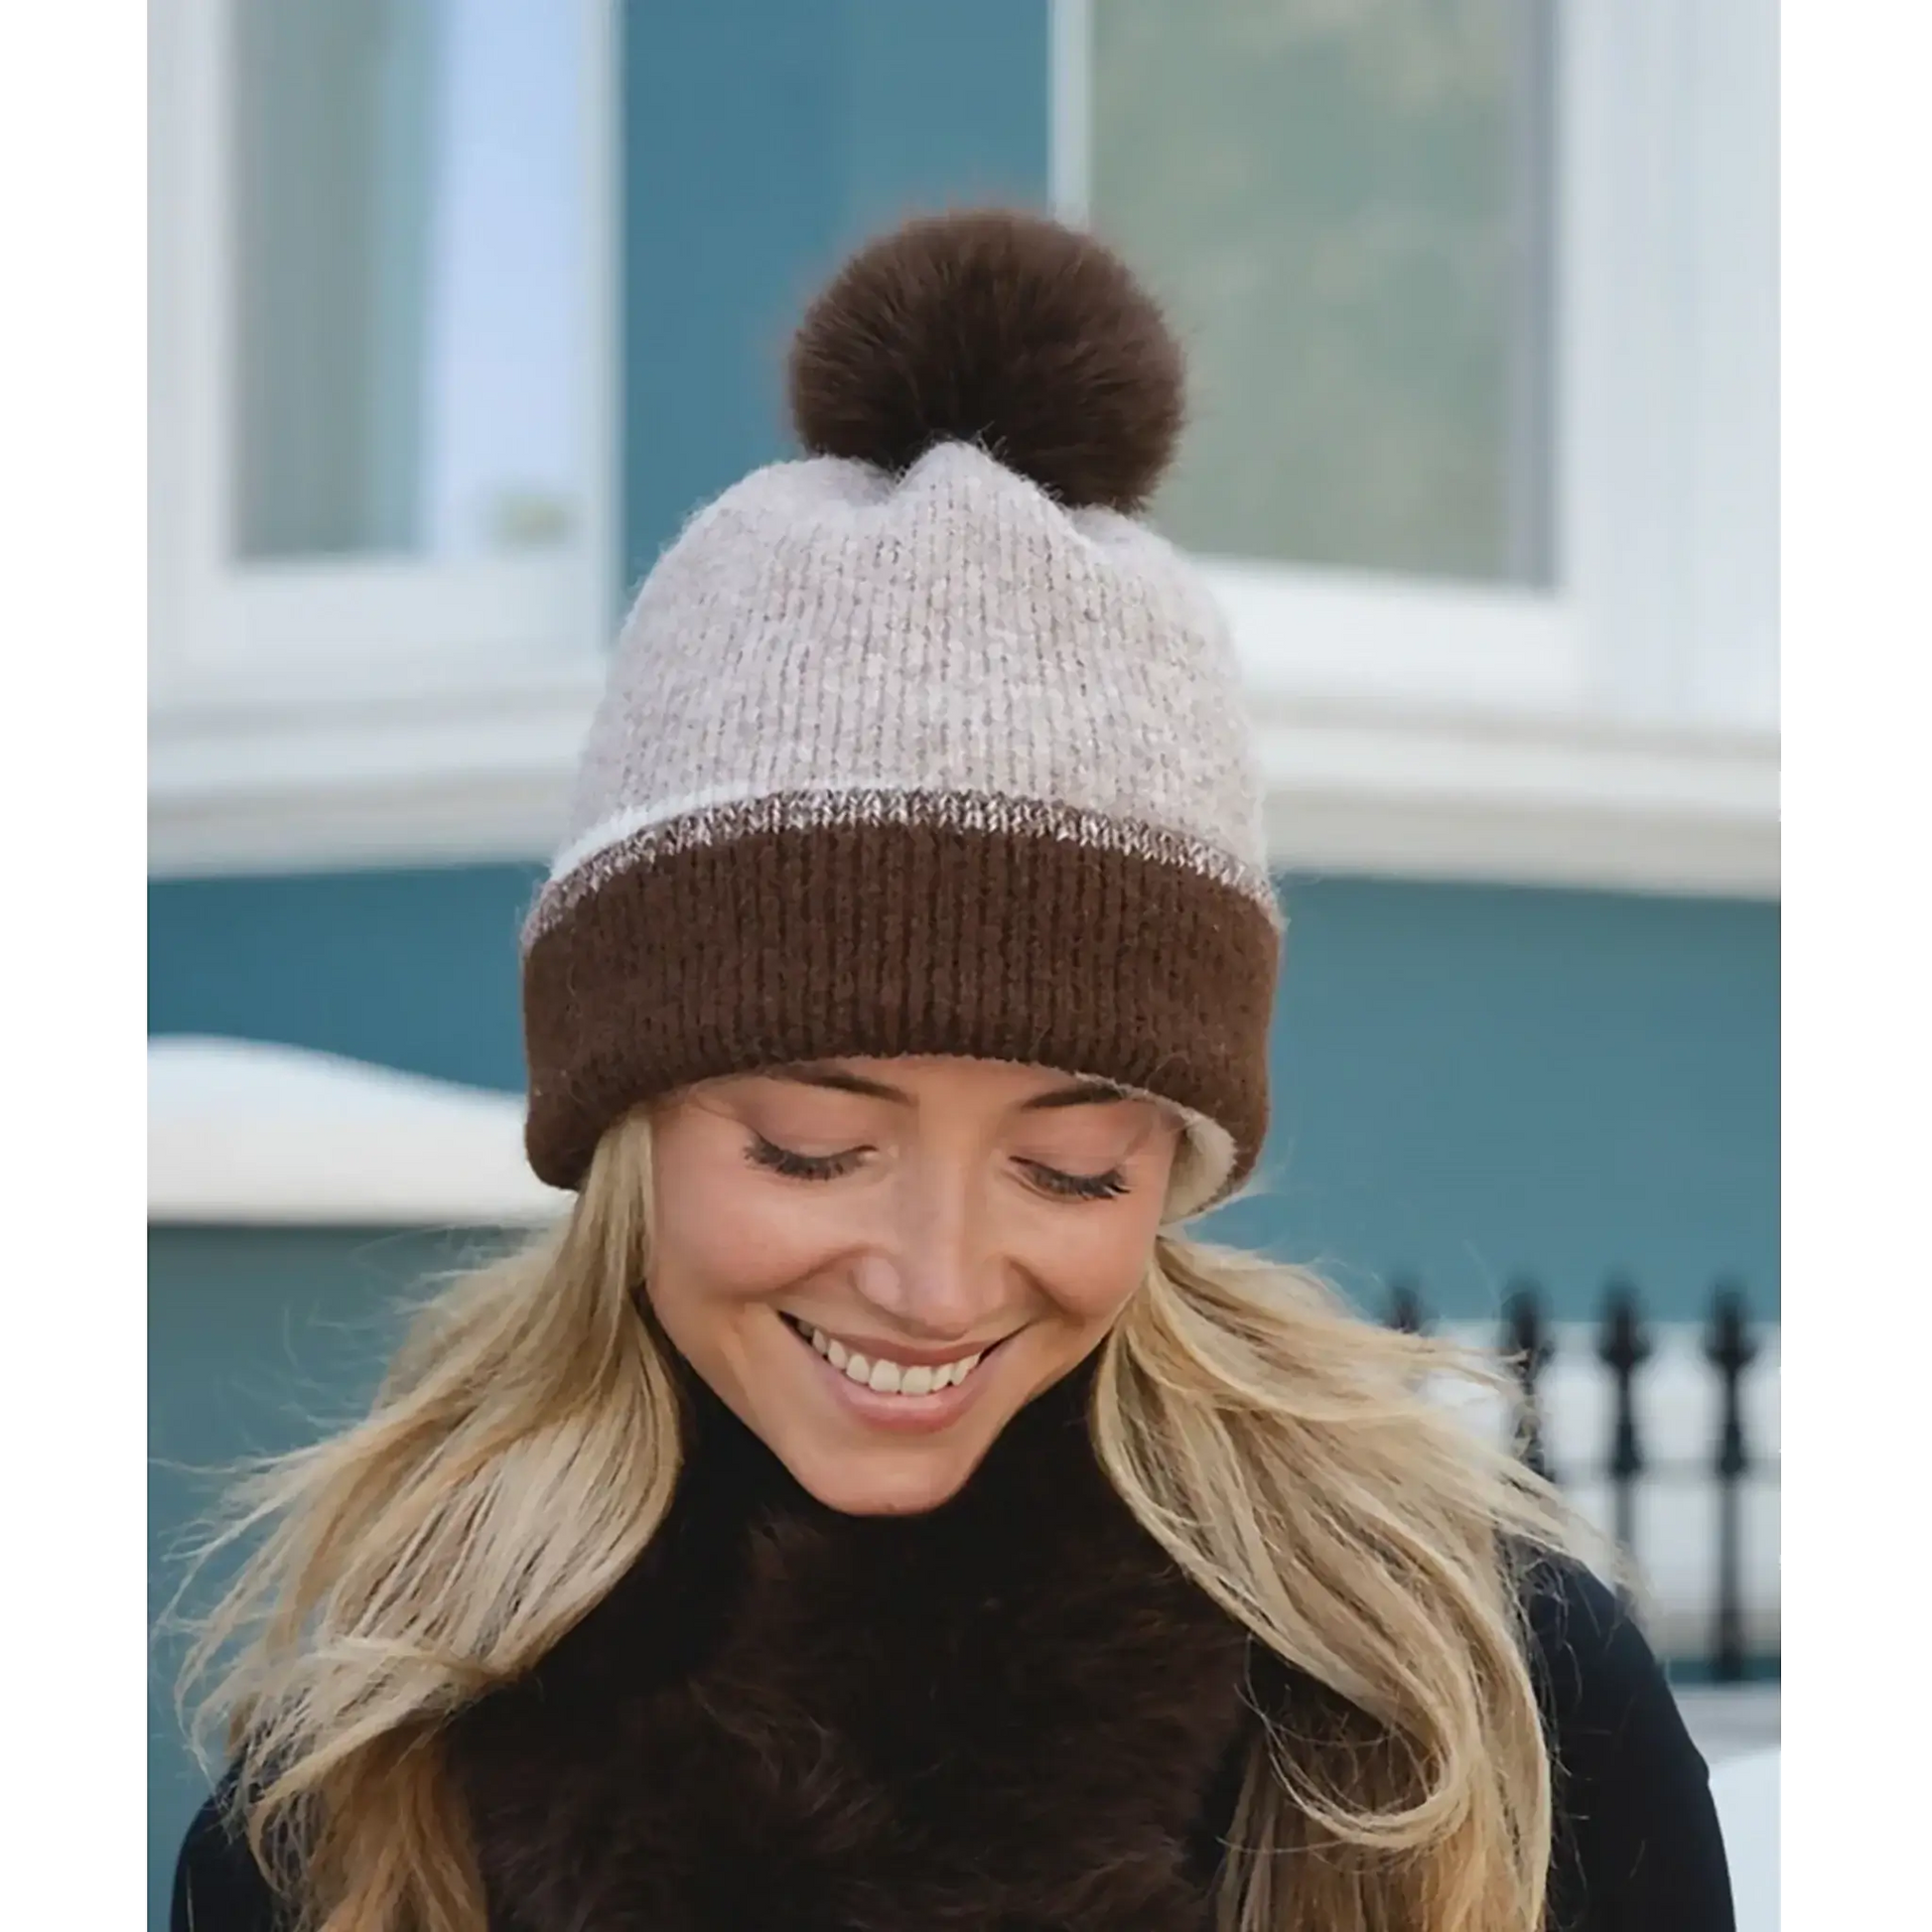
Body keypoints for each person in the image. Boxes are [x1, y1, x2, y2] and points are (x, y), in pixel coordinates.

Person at [169, 209, 1733, 1932]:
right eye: (810, 1146)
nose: (933, 1281)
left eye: (1070, 1167)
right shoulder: (367, 1789)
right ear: (623, 1121)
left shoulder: (1470, 1700)